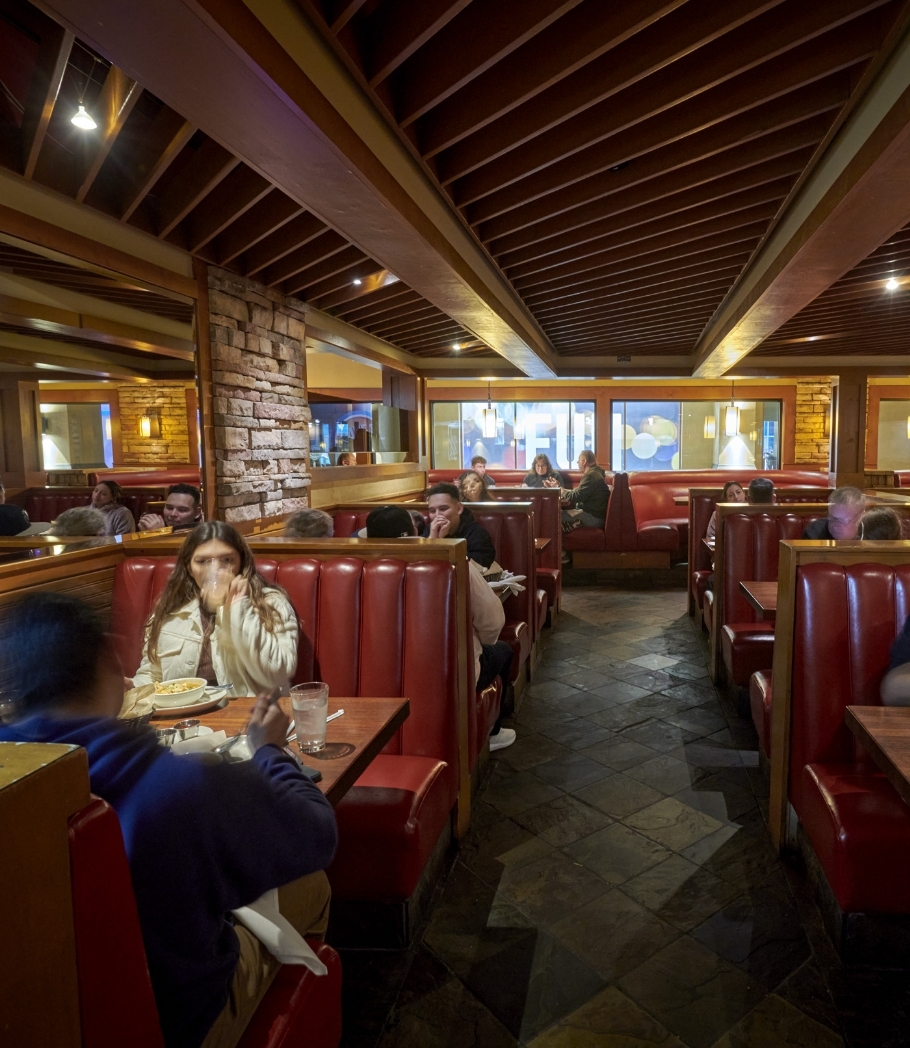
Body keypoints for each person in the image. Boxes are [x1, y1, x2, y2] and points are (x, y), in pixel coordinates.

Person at [0, 591, 336, 1048]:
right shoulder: (173, 785)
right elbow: (318, 832)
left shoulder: (17, 780)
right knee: (311, 883)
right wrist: (270, 752)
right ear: (110, 663)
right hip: (178, 1024)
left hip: (41, 1021)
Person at [365, 506, 515, 750]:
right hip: (448, 673)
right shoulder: (455, 563)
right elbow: (493, 621)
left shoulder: (357, 567)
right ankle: (493, 733)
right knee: (503, 651)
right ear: (414, 530)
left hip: (373, 675)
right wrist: (484, 642)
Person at [130, 522, 298, 695]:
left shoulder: (270, 604)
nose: (215, 570)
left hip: (250, 715)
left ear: (241, 562)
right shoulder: (169, 609)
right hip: (184, 715)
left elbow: (276, 675)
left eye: (227, 560)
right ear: (189, 567)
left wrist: (238, 609)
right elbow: (154, 674)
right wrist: (133, 687)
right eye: (202, 561)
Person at [423, 482, 497, 568]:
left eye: (443, 509)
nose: (437, 515)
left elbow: (478, 567)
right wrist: (431, 540)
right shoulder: (428, 530)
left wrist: (444, 540)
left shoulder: (478, 534)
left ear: (459, 508)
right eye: (432, 511)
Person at [559, 450, 609, 529]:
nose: (577, 463)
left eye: (578, 460)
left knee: (556, 516)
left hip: (593, 517)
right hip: (593, 514)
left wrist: (561, 491)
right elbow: (578, 492)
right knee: (559, 515)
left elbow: (576, 497)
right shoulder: (595, 473)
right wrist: (561, 489)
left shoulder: (591, 476)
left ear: (584, 461)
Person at [139, 484, 203, 532]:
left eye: (182, 510)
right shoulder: (153, 526)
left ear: (197, 513)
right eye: (169, 508)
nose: (173, 514)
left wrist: (159, 533)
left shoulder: (202, 537)